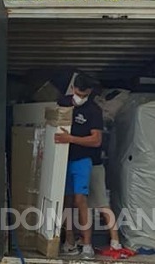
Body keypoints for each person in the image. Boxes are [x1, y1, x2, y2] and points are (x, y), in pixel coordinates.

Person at [55, 73, 103, 259]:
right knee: (66, 201)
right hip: (62, 159)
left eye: (84, 94)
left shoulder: (93, 110)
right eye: (78, 92)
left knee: (80, 200)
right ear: (73, 88)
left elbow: (96, 140)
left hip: (82, 160)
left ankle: (88, 244)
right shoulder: (62, 102)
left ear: (89, 92)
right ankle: (69, 241)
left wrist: (71, 139)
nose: (80, 97)